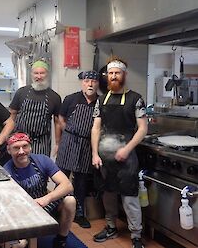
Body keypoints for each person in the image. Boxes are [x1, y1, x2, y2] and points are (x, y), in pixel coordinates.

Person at [91, 57, 147, 248]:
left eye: (117, 73)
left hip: (127, 158)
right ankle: (110, 227)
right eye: (111, 73)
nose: (113, 76)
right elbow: (96, 128)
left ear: (124, 75)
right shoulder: (101, 99)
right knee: (108, 194)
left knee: (130, 198)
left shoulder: (136, 99)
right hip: (105, 158)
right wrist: (94, 154)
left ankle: (136, 235)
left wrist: (127, 149)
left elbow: (142, 129)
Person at [4, 132, 76, 248]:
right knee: (19, 245)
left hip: (44, 205)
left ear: (30, 147)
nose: (21, 151)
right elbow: (10, 206)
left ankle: (61, 239)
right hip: (23, 211)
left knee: (70, 201)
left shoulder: (42, 160)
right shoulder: (7, 171)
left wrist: (46, 199)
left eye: (25, 146)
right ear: (9, 150)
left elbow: (68, 185)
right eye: (16, 148)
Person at [56, 70, 100, 229]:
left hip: (87, 144)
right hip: (69, 141)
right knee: (61, 177)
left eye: (93, 81)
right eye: (87, 81)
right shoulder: (71, 99)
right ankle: (55, 209)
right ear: (82, 82)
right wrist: (66, 132)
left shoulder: (100, 102)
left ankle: (79, 214)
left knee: (81, 182)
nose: (90, 84)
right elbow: (60, 118)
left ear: (97, 84)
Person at [9, 60, 61, 157]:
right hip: (20, 139)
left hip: (41, 141)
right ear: (32, 74)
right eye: (36, 73)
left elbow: (57, 122)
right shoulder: (21, 92)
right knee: (20, 167)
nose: (39, 76)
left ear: (47, 74)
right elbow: (12, 115)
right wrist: (8, 136)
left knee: (39, 167)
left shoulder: (54, 97)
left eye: (42, 73)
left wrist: (58, 143)